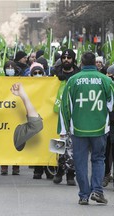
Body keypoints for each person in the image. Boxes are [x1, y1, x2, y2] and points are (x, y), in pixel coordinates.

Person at [58, 51, 112, 205]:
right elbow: (111, 104)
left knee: (80, 161)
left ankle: (83, 195)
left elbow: (65, 106)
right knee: (98, 159)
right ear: (95, 63)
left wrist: (63, 129)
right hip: (100, 127)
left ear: (81, 63)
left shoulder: (73, 80)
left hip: (78, 128)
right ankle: (97, 191)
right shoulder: (106, 80)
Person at [51, 49, 80, 186]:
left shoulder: (79, 75)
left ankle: (70, 174)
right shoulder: (54, 74)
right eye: (64, 57)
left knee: (72, 147)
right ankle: (59, 171)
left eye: (69, 57)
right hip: (57, 115)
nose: (66, 60)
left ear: (73, 59)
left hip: (74, 115)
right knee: (59, 144)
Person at [0, 60, 22, 175]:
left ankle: (16, 166)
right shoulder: (0, 81)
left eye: (11, 67)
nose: (9, 69)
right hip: (5, 115)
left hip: (17, 114)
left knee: (17, 141)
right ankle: (4, 166)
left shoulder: (20, 81)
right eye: (7, 67)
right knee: (5, 142)